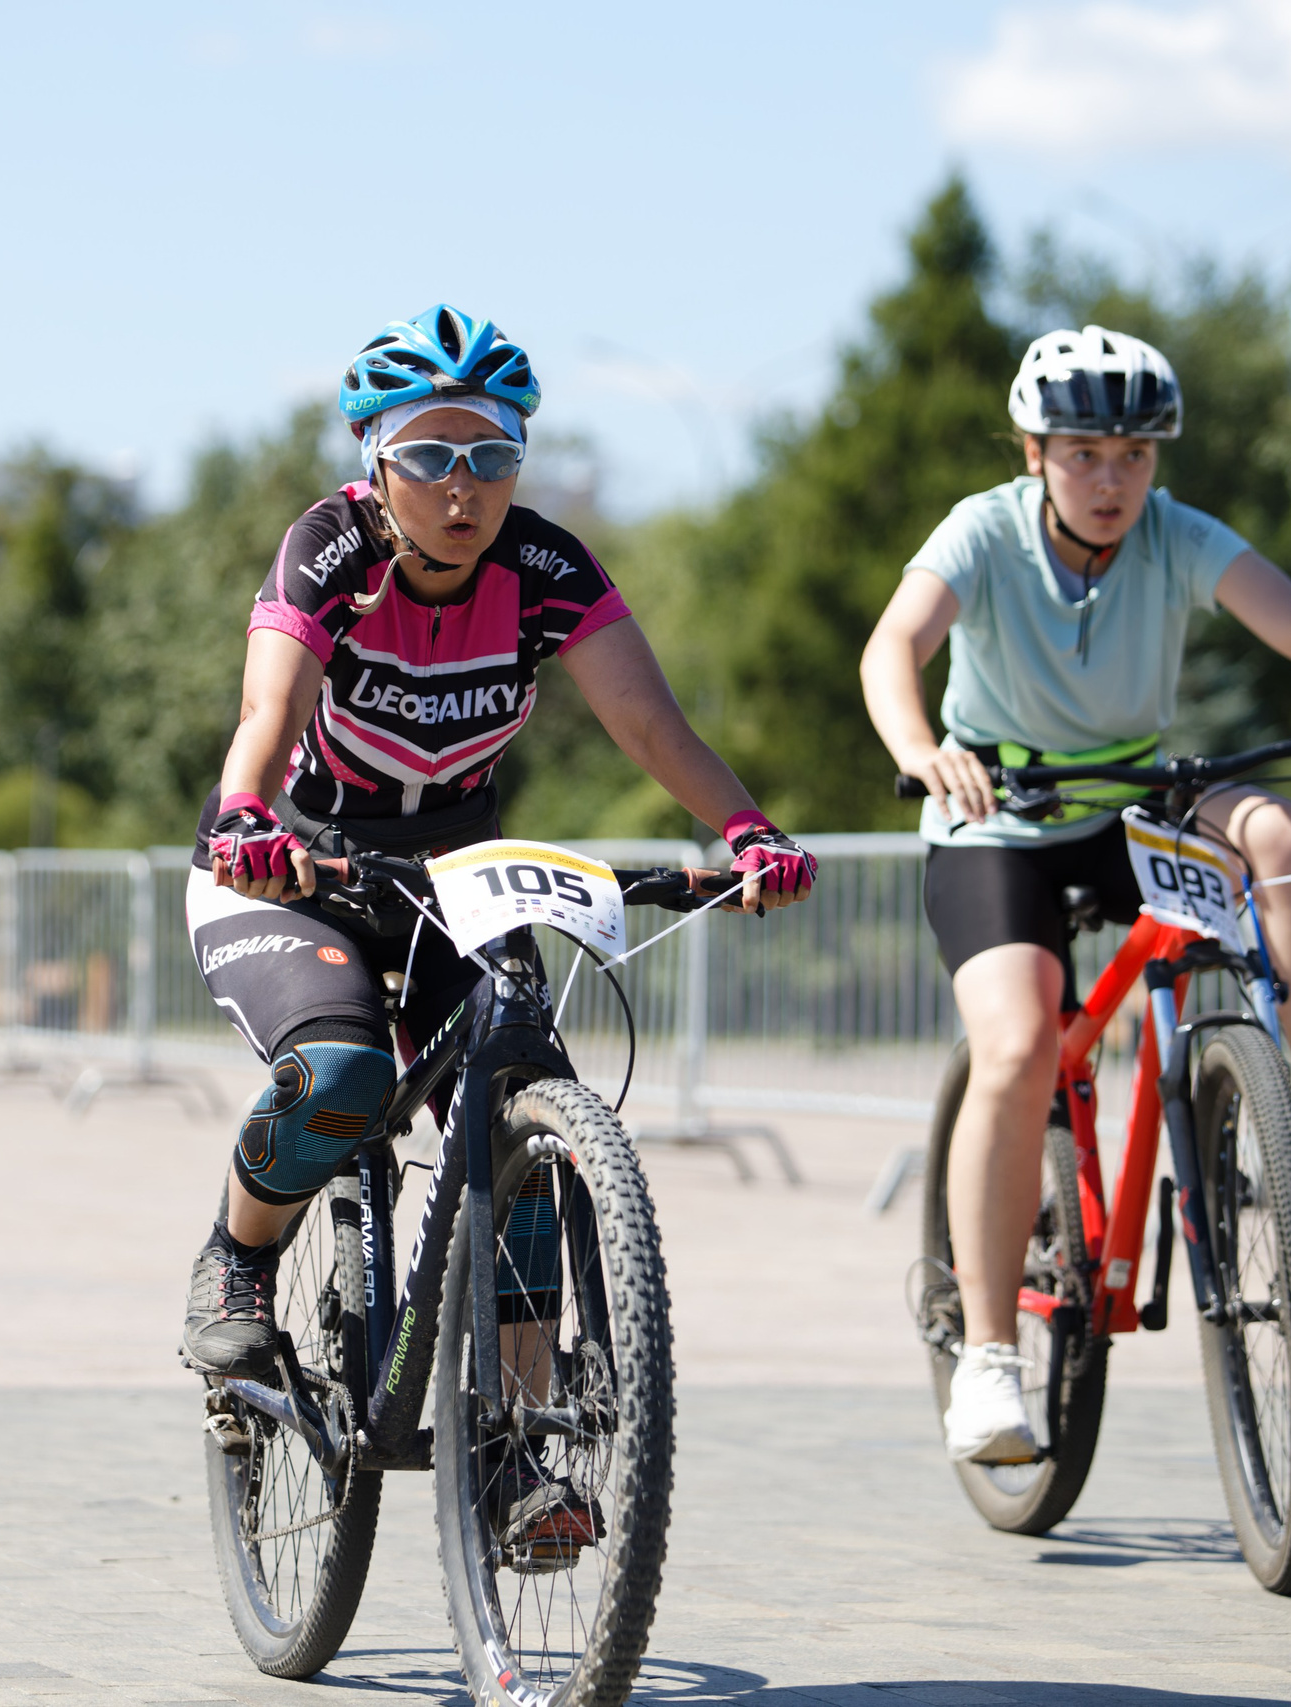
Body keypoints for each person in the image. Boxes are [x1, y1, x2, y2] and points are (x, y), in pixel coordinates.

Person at [178, 304, 817, 1541]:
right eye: (428, 454)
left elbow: (649, 724)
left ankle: (511, 1450)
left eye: (491, 452)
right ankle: (238, 1259)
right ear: (375, 461)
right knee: (345, 1073)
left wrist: (745, 833)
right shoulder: (329, 549)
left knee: (521, 1112)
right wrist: (246, 810)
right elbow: (271, 699)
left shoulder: (546, 567)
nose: (460, 486)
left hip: (457, 874)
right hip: (292, 869)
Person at [859, 325, 1291, 1466]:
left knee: (1288, 832)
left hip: (1132, 805)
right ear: (1034, 453)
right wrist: (925, 750)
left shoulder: (1176, 539)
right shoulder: (982, 531)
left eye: (1134, 453)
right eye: (1085, 453)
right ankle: (985, 1359)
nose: (1113, 478)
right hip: (1000, 821)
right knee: (1022, 1048)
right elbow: (894, 646)